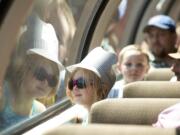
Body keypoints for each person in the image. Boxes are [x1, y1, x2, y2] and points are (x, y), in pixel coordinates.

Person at [0, 15, 63, 130]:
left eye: (52, 80)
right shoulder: (3, 97)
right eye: (40, 74)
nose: (45, 82)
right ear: (22, 67)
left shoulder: (40, 111)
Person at [66, 47, 117, 124]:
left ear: (103, 90)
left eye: (81, 83)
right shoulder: (79, 117)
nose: (75, 87)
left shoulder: (103, 123)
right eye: (72, 83)